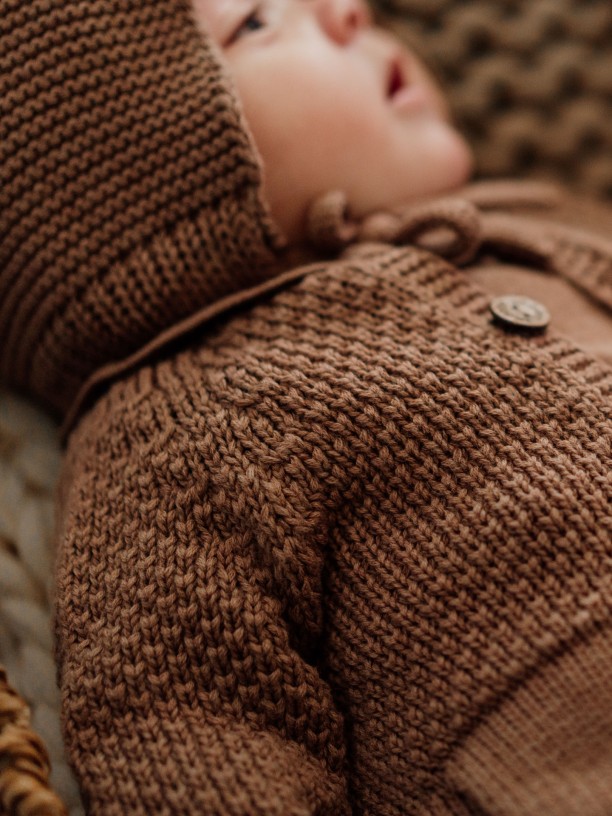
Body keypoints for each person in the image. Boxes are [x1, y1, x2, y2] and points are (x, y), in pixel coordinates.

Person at [0, 0, 611, 814]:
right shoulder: (186, 422)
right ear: (127, 180)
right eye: (257, 20)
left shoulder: (546, 217)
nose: (348, 10)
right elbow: (185, 724)